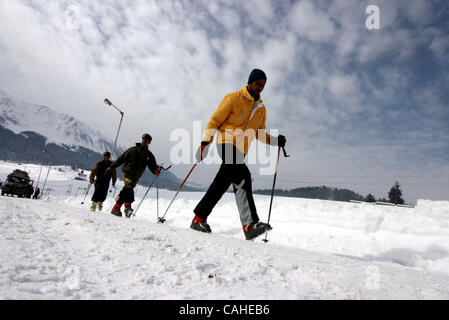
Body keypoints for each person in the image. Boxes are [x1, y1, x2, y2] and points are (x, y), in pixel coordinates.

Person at [191, 68, 287, 241]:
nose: (260, 88)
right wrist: (206, 142)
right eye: (258, 83)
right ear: (250, 82)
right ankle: (249, 225)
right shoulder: (233, 98)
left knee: (224, 182)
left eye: (263, 85)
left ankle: (199, 218)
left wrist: (275, 141)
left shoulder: (261, 109)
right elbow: (215, 121)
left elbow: (259, 133)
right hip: (226, 143)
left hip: (241, 150)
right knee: (243, 176)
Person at [106, 133, 161, 218]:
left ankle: (121, 208)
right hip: (128, 172)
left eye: (147, 140)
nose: (145, 141)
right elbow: (121, 159)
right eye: (144, 139)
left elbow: (152, 166)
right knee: (129, 186)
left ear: (149, 142)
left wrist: (155, 171)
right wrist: (111, 167)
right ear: (141, 139)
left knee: (128, 189)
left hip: (137, 176)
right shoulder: (133, 149)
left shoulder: (149, 155)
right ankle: (123, 208)